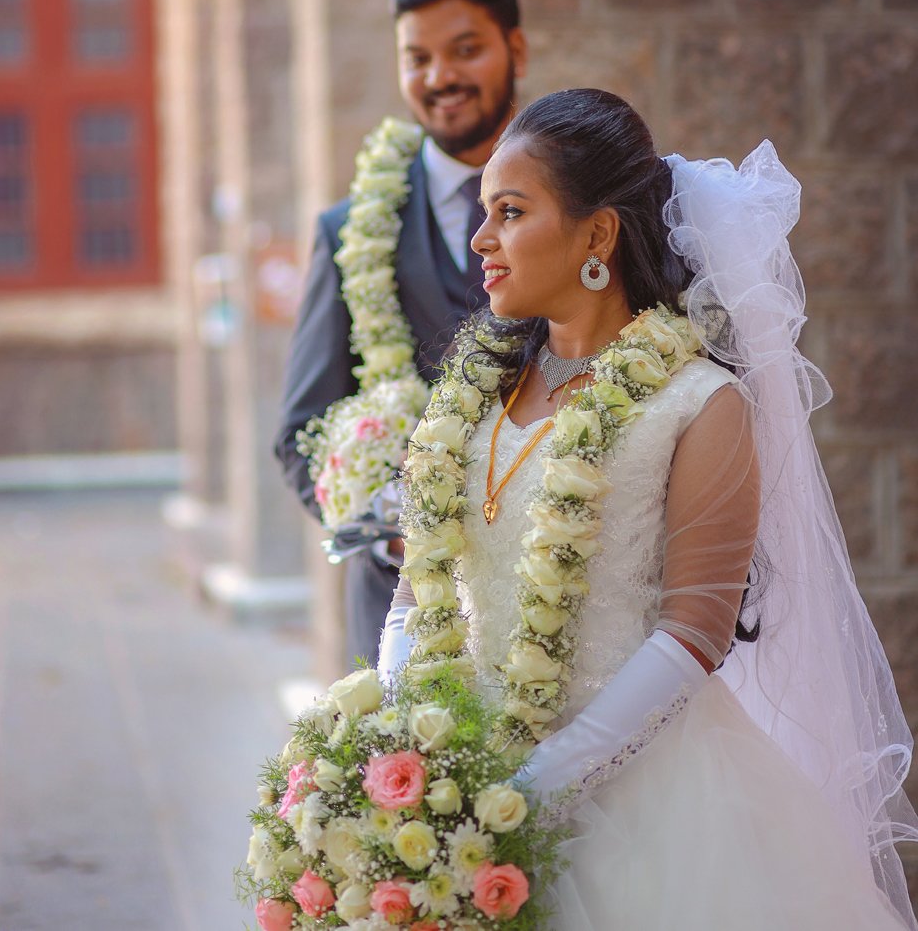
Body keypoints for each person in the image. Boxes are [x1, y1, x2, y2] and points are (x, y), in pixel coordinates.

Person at [379, 88, 918, 930]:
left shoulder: (700, 402)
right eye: (484, 213)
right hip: (451, 791)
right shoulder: (471, 398)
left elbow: (695, 630)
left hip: (647, 806)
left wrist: (529, 792)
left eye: (510, 212)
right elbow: (416, 588)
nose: (480, 240)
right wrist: (402, 741)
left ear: (598, 234)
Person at [275, 0, 529, 668]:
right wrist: (390, 526)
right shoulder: (347, 233)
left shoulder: (580, 212)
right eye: (417, 58)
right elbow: (301, 435)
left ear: (516, 48)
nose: (440, 77)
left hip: (560, 596)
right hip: (402, 620)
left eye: (466, 50)